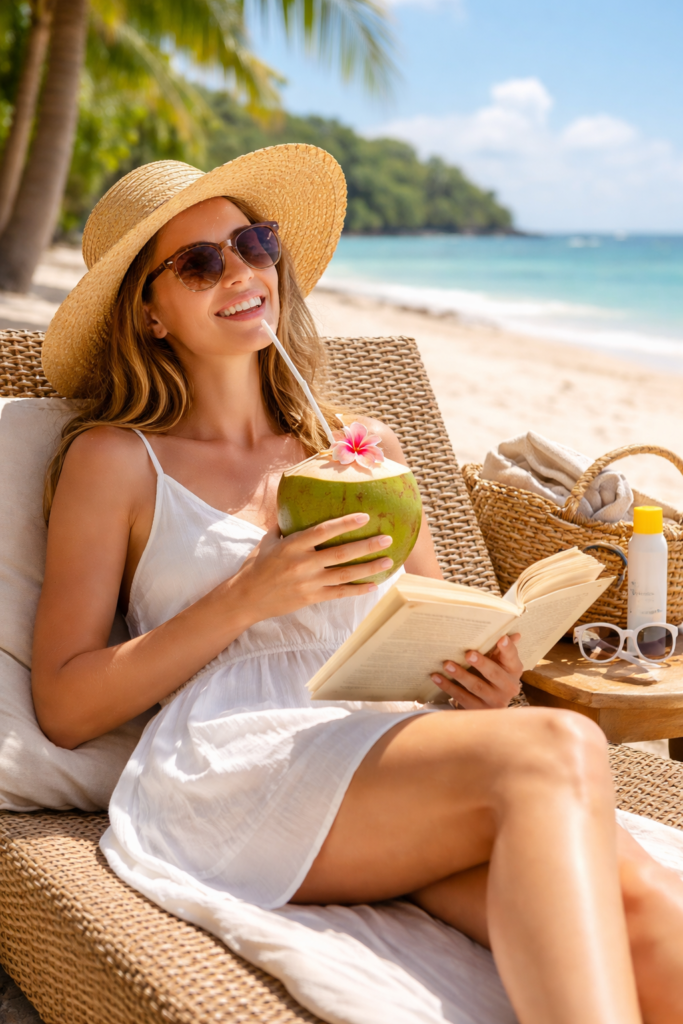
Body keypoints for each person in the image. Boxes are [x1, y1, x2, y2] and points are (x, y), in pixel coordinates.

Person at [32, 146, 683, 1024]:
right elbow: (65, 706)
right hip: (240, 762)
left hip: (390, 751)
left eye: (253, 243)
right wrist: (247, 596)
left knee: (647, 910)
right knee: (559, 742)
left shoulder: (361, 448)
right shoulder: (117, 459)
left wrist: (481, 686)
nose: (241, 272)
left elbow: (439, 625)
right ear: (149, 312)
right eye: (198, 263)